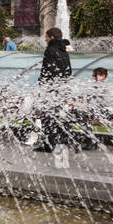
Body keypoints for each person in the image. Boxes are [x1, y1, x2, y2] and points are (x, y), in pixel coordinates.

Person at [33, 26, 72, 154]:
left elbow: (46, 70)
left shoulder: (50, 50)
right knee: (57, 114)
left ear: (52, 38)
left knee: (47, 116)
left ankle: (48, 143)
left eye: (46, 37)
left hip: (51, 88)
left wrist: (42, 84)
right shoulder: (64, 51)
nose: (45, 40)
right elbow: (68, 71)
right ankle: (61, 139)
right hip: (61, 87)